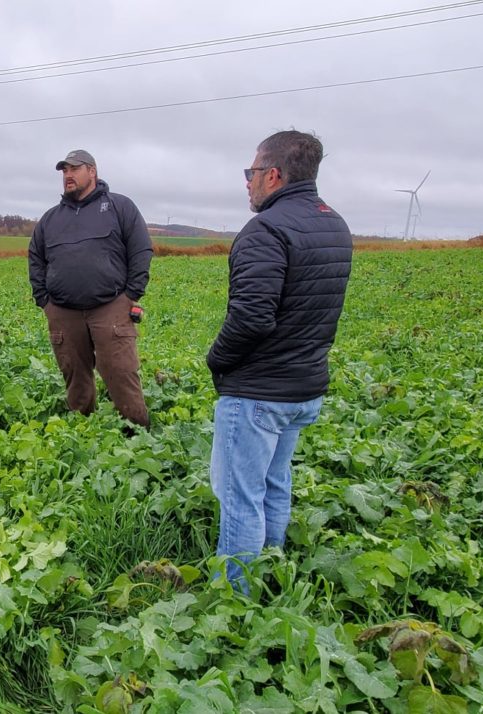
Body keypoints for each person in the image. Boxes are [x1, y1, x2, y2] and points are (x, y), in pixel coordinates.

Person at [207, 130, 353, 590]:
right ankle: (272, 571)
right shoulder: (335, 224)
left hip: (258, 391)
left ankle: (237, 600)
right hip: (304, 386)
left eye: (251, 173)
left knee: (240, 497)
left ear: (273, 175)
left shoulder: (266, 231)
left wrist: (217, 360)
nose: (247, 183)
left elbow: (252, 317)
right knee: (273, 483)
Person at [28, 149, 153, 428]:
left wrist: (131, 295)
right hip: (63, 312)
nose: (67, 176)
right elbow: (36, 259)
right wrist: (45, 302)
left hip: (110, 308)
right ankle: (81, 432)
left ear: (92, 171)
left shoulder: (120, 207)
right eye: (64, 171)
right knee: (74, 375)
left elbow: (141, 250)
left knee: (121, 372)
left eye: (74, 169)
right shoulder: (51, 219)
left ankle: (137, 432)